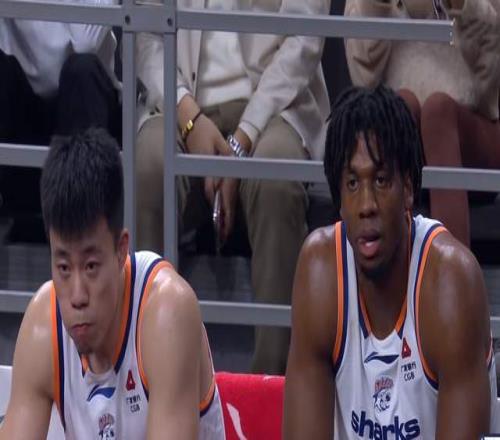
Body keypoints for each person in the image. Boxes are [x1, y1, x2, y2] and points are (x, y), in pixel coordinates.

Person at [283, 86, 499, 438]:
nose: (366, 205)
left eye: (381, 181)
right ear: (338, 199)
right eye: (352, 183)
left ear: (408, 189)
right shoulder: (321, 272)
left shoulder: (450, 281)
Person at [135, 0, 331, 374]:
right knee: (148, 166)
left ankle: (272, 382)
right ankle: (150, 375)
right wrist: (188, 116)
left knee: (277, 178)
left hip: (273, 104)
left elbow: (304, 39)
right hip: (180, 102)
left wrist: (243, 137)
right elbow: (145, 36)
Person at [0, 128, 225, 439]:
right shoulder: (42, 326)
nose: (77, 295)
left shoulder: (166, 312)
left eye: (91, 266)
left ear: (121, 250)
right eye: (63, 268)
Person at [344, 0, 500, 247]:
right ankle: (390, 266)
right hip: (402, 133)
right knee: (401, 106)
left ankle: (452, 266)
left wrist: (463, 6)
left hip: (474, 130)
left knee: (437, 111)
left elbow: (490, 88)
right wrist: (378, 5)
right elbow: (362, 79)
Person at [0, 0, 121, 236]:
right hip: (25, 115)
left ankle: (82, 230)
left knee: (81, 71)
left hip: (86, 110)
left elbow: (86, 42)